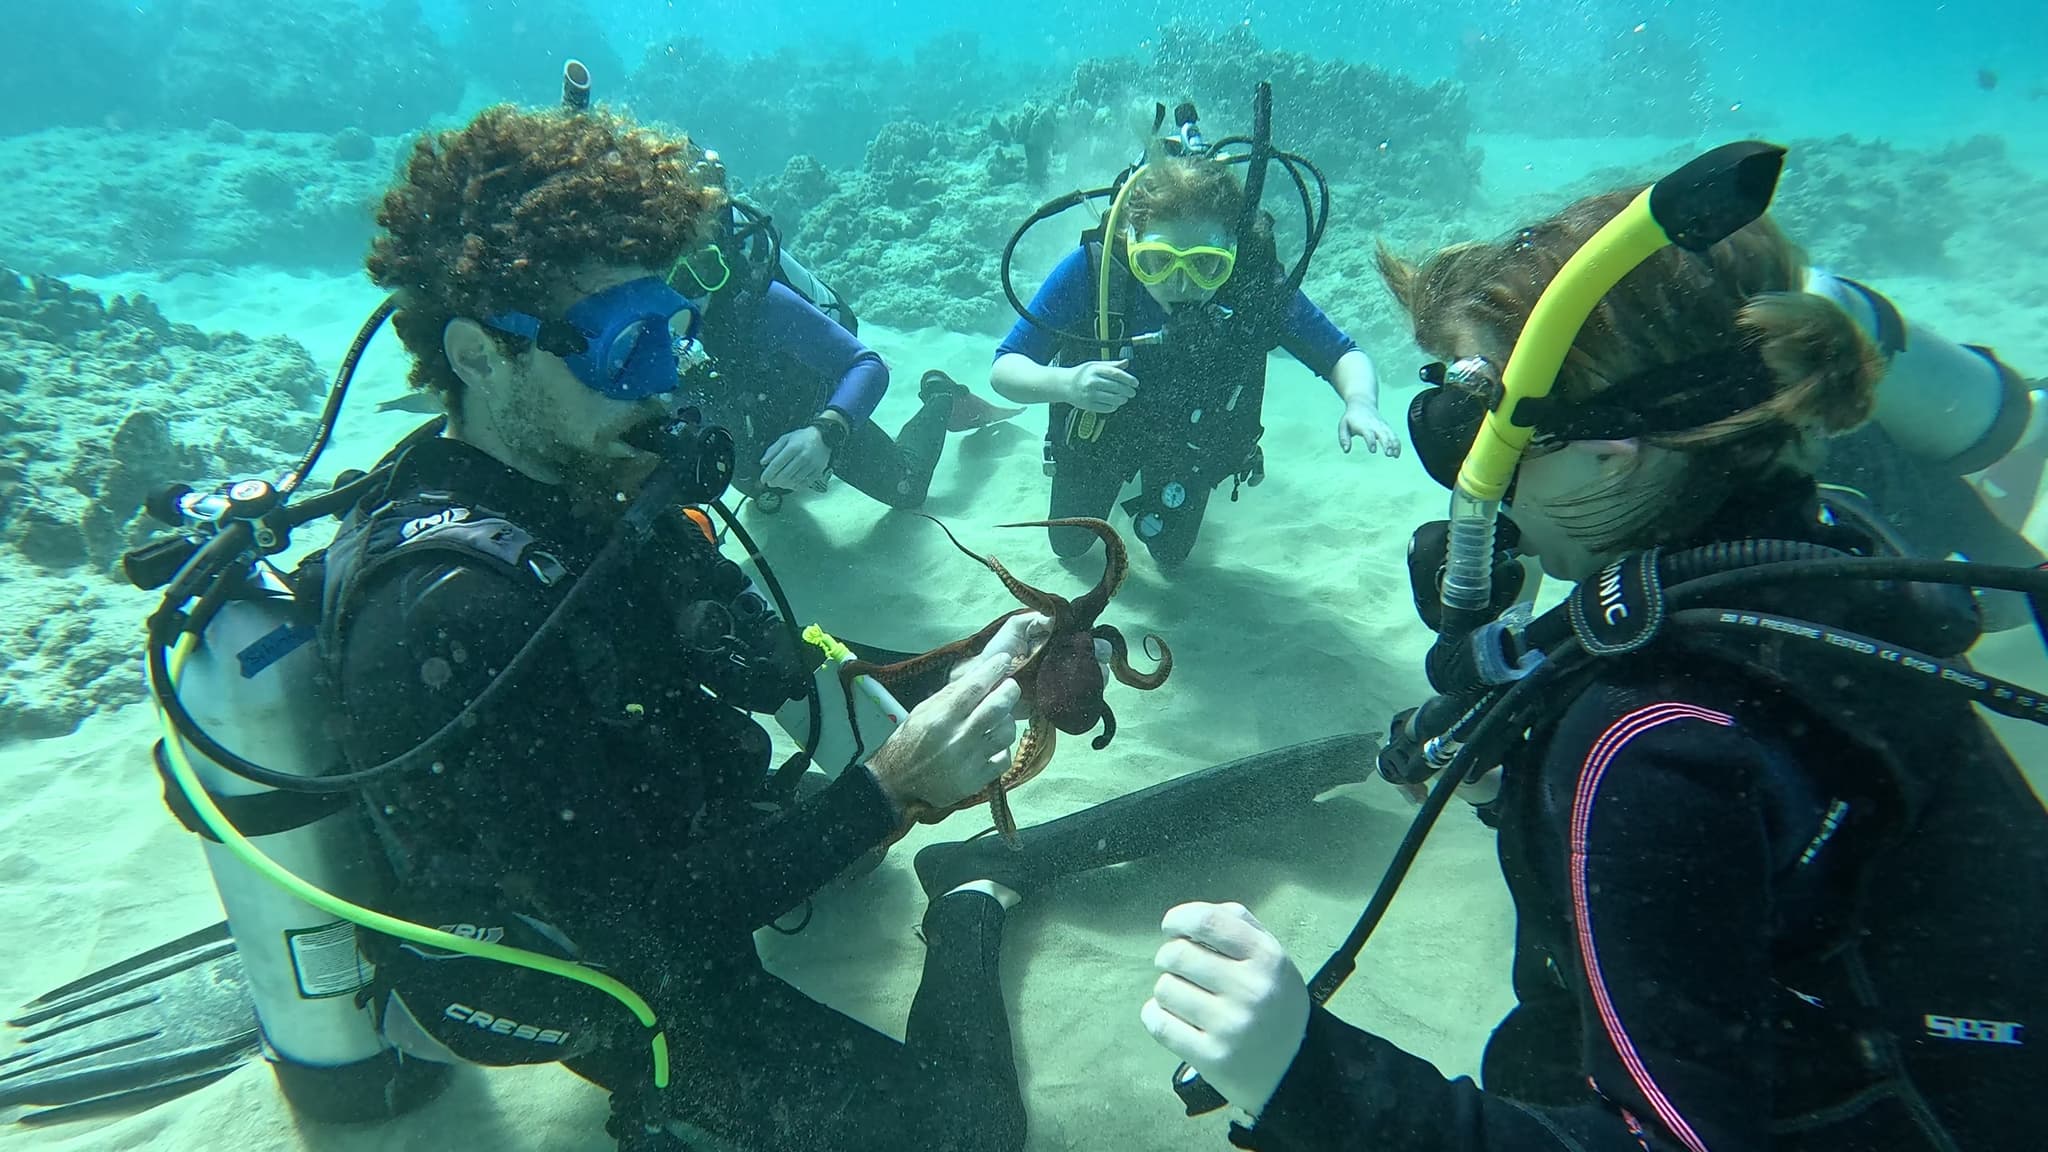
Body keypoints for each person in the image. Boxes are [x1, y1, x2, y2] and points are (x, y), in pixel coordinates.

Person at [1141, 187, 2048, 1150]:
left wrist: (1308, 1078)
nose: (1462, 481)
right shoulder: (1830, 561)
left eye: (1468, 424)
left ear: (1612, 459)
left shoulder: (1649, 745)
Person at [344, 103, 1042, 1151]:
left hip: (647, 839)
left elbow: (761, 664)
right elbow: (631, 927)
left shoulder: (585, 480)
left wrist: (941, 678)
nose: (666, 381)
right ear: (479, 355)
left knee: (843, 856)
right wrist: (889, 787)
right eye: (626, 346)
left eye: (671, 334)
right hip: (580, 957)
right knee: (966, 1130)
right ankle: (970, 907)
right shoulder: (459, 615)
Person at [990, 151, 1400, 569]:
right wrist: (1068, 384)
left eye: (1207, 265)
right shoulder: (1093, 272)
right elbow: (1005, 368)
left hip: (1189, 445)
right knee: (1068, 545)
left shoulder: (1253, 288)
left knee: (1171, 555)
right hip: (1100, 436)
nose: (1182, 282)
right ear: (1131, 242)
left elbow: (1342, 354)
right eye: (1159, 261)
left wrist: (1360, 402)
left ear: (1233, 253)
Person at [670, 233, 1017, 514]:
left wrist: (825, 433)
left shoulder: (756, 304)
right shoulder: (628, 349)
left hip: (814, 411)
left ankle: (941, 394)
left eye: (706, 267)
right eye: (675, 278)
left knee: (906, 490)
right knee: (763, 492)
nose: (696, 293)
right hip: (750, 452)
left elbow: (867, 365)